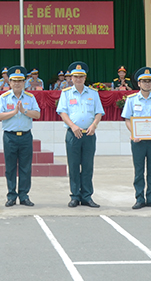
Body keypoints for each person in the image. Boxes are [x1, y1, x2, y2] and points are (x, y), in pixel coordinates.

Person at [57, 62, 103, 208]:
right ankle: (75, 196)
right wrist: (73, 126)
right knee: (74, 165)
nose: (78, 79)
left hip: (89, 133)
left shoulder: (93, 93)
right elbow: (62, 112)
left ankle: (87, 196)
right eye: (76, 76)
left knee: (88, 166)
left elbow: (99, 112)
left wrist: (94, 125)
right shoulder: (66, 93)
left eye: (81, 76)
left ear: (85, 77)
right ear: (71, 77)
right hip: (73, 134)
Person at [122, 67, 151, 209]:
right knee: (139, 170)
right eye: (144, 81)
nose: (147, 84)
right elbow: (128, 120)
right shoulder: (131, 100)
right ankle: (139, 198)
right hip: (138, 141)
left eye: (149, 81)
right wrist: (133, 133)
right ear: (139, 83)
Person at [0, 65, 40, 207]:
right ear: (10, 82)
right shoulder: (4, 97)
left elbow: (37, 114)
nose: (17, 83)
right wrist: (14, 112)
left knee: (25, 167)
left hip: (26, 136)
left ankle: (24, 195)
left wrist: (24, 111)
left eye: (20, 81)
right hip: (10, 136)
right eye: (14, 81)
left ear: (24, 82)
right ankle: (11, 195)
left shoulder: (30, 98)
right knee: (10, 167)